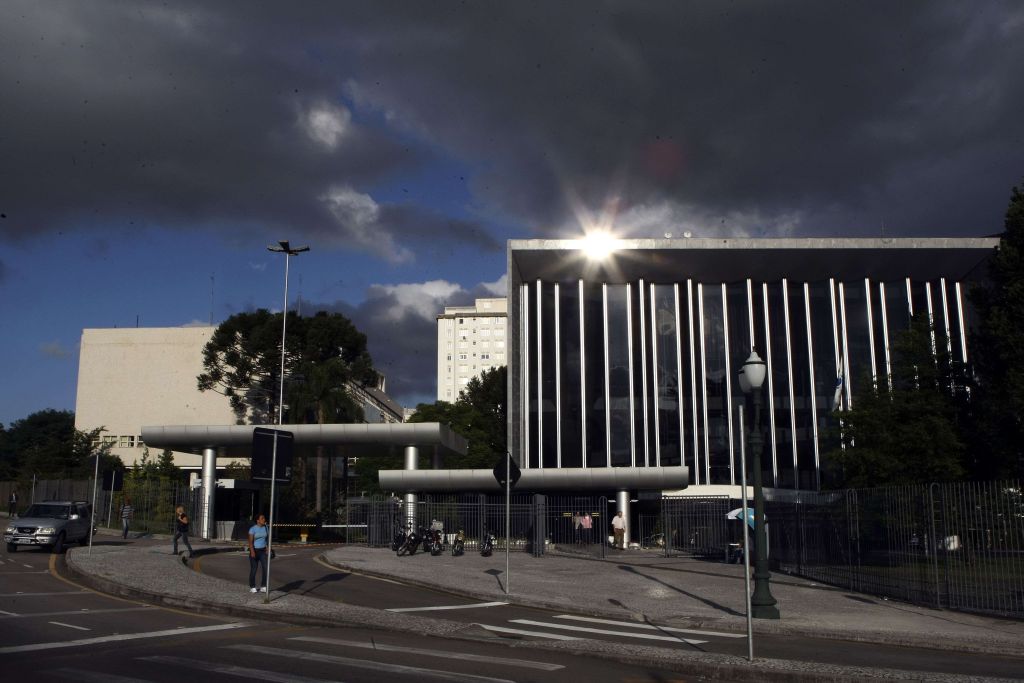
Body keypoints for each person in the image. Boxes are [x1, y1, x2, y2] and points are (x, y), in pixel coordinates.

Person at [247, 513, 270, 594]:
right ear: (258, 520)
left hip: (263, 551)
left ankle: (263, 586)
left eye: (264, 518)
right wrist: (252, 551)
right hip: (255, 550)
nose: (264, 519)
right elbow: (250, 542)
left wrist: (267, 547)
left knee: (266, 568)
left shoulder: (266, 527)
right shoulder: (252, 529)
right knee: (254, 569)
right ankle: (252, 587)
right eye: (262, 518)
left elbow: (267, 539)